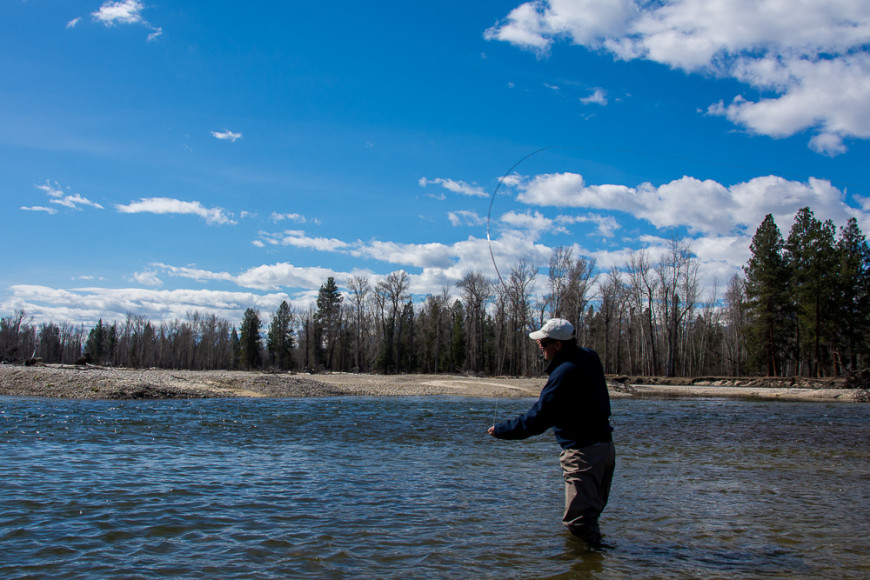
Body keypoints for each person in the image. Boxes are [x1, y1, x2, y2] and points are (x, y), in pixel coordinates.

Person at [488, 317, 615, 547]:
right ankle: (595, 564)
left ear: (558, 345)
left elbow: (538, 419)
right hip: (605, 450)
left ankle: (590, 564)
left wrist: (501, 430)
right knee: (589, 517)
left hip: (583, 455)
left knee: (578, 523)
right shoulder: (590, 358)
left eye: (543, 343)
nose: (540, 346)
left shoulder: (564, 374)